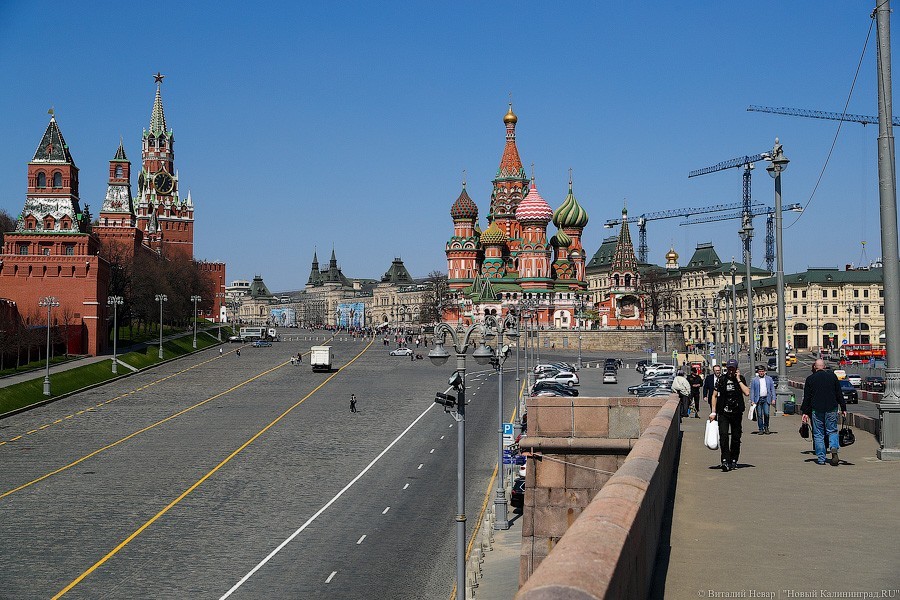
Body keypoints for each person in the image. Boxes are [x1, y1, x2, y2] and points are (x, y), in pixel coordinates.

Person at [801, 358, 847, 465]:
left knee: (818, 434)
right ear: (824, 366)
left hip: (816, 410)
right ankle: (834, 447)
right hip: (832, 409)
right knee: (832, 431)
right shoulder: (832, 376)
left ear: (815, 367)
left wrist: (805, 413)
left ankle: (821, 459)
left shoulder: (810, 379)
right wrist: (843, 408)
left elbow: (807, 397)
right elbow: (839, 393)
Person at [710, 359, 749, 472]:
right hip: (723, 413)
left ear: (736, 369)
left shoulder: (740, 379)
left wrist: (738, 380)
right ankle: (725, 460)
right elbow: (714, 395)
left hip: (737, 413)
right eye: (729, 368)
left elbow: (747, 393)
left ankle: (733, 459)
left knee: (736, 438)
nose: (730, 370)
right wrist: (713, 412)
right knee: (724, 436)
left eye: (733, 368)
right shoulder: (721, 379)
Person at [749, 365, 776, 434]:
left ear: (764, 372)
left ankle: (766, 427)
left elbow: (772, 389)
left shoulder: (769, 379)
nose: (761, 373)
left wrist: (773, 399)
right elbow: (752, 391)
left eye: (762, 371)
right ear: (758, 372)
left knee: (766, 413)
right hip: (758, 399)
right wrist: (752, 400)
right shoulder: (754, 380)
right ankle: (761, 429)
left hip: (766, 399)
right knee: (759, 415)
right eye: (760, 371)